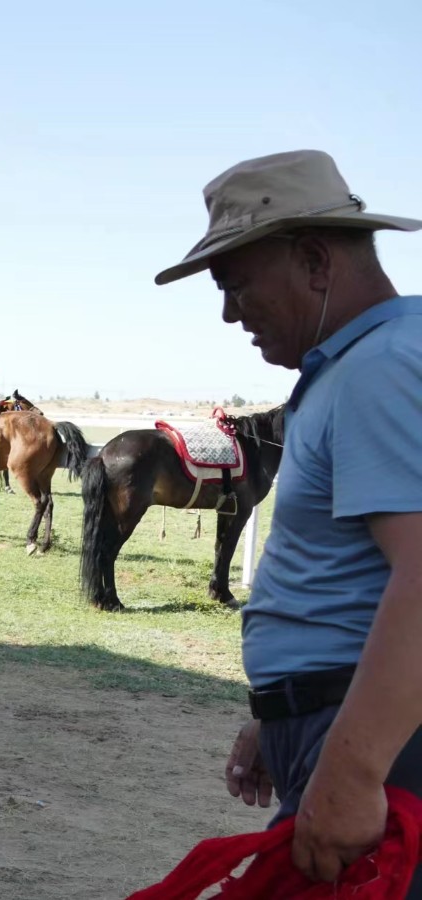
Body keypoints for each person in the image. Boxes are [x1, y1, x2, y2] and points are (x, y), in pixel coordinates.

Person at [152, 149, 422, 891]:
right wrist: (287, 707)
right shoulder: (358, 366)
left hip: (383, 750)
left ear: (313, 260)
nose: (230, 313)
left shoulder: (380, 370)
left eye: (236, 286)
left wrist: (354, 765)